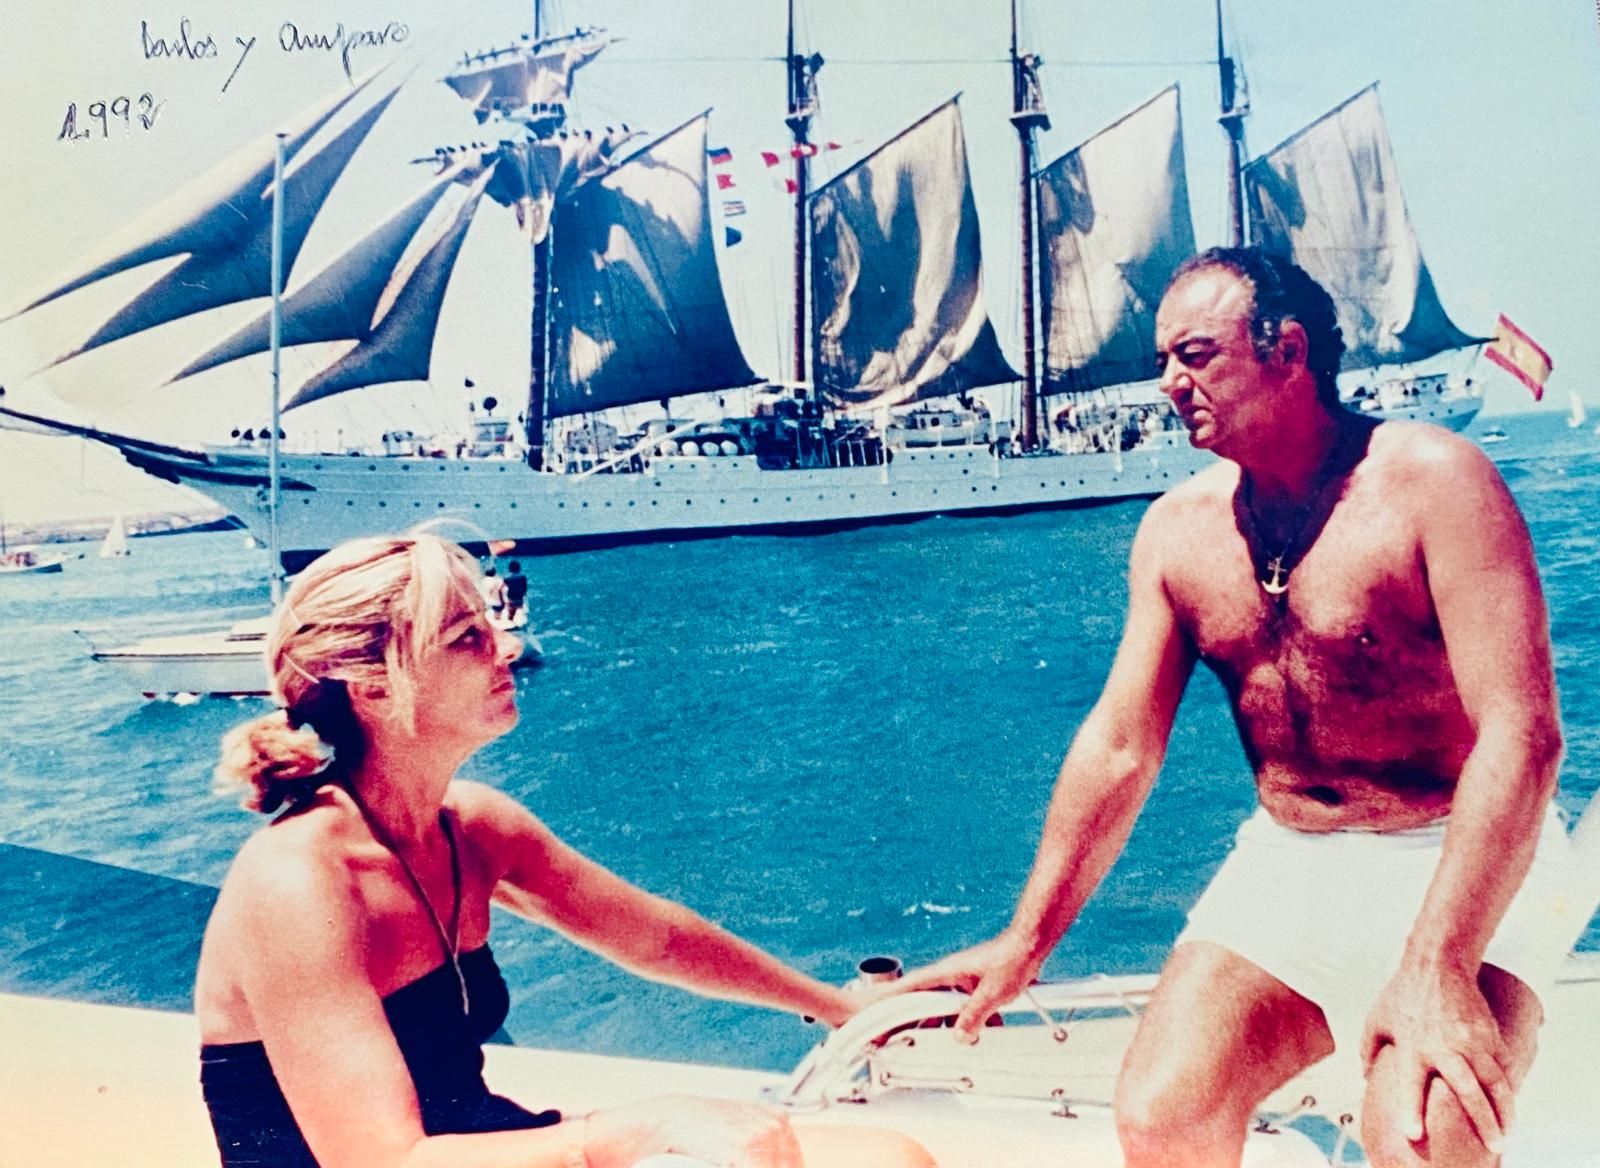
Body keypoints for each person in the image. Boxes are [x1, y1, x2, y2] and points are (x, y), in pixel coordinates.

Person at [901, 248, 1581, 1168]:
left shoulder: (1437, 484)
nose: (1169, 384)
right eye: (1162, 362)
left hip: (1464, 850)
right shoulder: (1178, 533)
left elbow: (1524, 737)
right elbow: (1119, 748)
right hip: (1294, 857)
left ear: (1288, 353)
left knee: (1426, 1137)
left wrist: (1439, 964)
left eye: (1195, 355)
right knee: (1162, 1117)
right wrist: (1028, 940)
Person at [195, 533, 934, 1168]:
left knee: (888, 1157)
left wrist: (842, 1008)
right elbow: (386, 1158)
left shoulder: (472, 829)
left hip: (480, 1146)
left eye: (491, 626)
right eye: (467, 639)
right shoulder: (296, 885)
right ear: (373, 688)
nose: (506, 648)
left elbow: (659, 939)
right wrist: (639, 1126)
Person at [504, 560, 530, 627]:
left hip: (511, 596)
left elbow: (504, 589)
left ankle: (510, 620)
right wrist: (524, 594)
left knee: (511, 611)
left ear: (510, 568)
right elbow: (524, 587)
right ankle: (519, 621)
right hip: (519, 596)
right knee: (519, 609)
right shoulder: (523, 577)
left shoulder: (507, 578)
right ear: (519, 567)